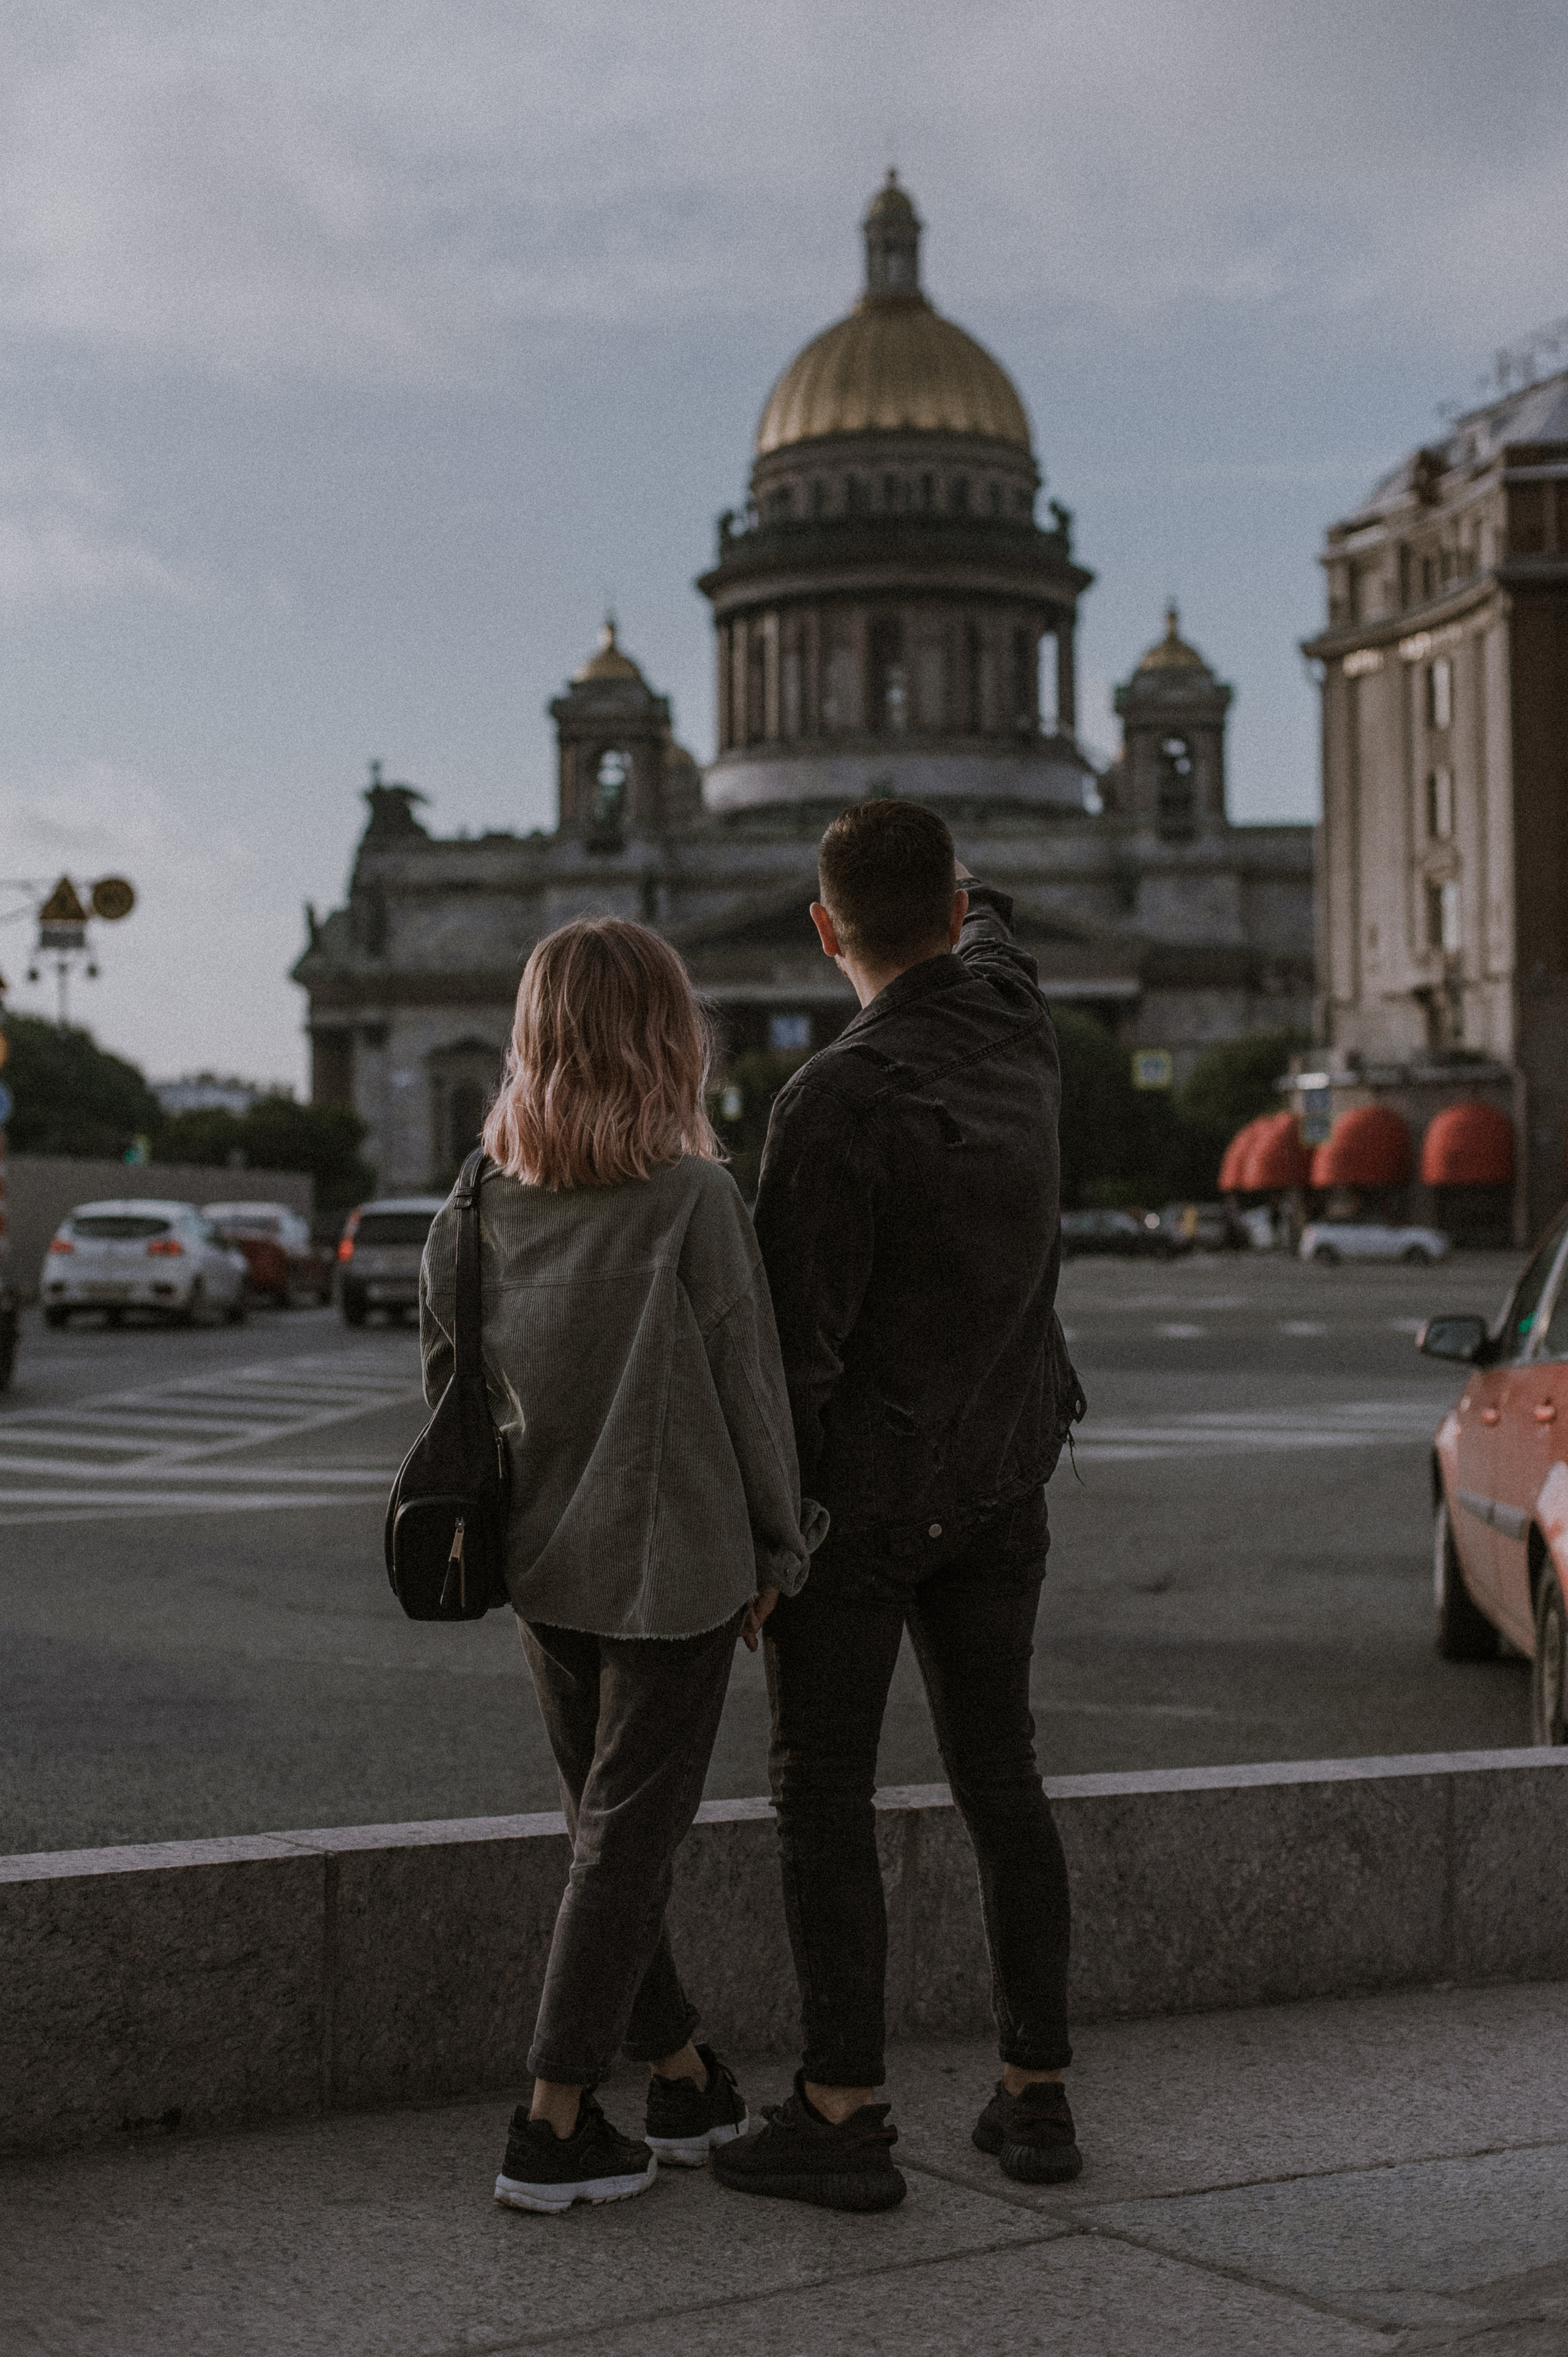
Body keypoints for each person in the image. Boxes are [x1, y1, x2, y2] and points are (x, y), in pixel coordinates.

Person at [712, 799, 1084, 2215]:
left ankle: (842, 2105)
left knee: (823, 1794)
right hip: (1004, 1478)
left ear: (819, 933)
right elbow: (991, 921)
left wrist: (765, 1541)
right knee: (1005, 1778)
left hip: (862, 1509)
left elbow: (790, 1357)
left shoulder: (830, 1097)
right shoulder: (1016, 1011)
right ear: (951, 908)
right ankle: (1035, 2094)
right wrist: (961, 892)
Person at [420, 917, 823, 2215]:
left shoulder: (469, 1206)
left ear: (531, 1037)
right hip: (676, 1570)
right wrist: (781, 1545)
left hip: (540, 1567)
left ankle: (684, 2075)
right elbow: (751, 1398)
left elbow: (454, 1397)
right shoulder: (695, 1199)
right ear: (667, 1036)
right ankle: (548, 2124)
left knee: (609, 1837)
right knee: (622, 1847)